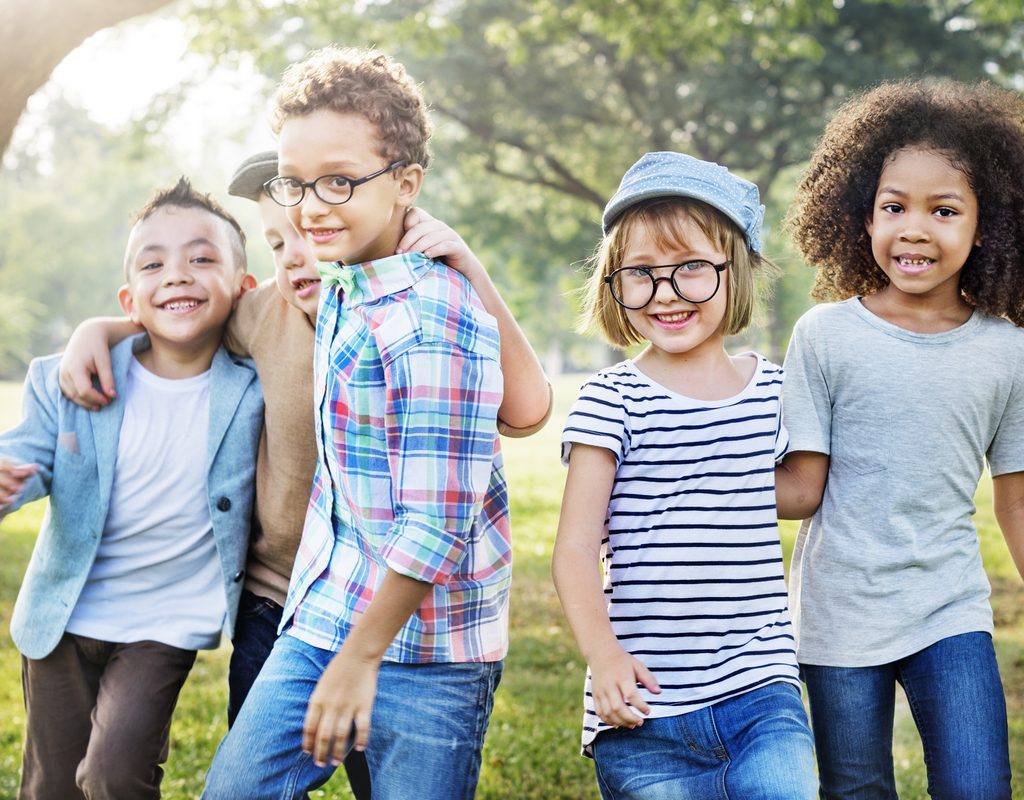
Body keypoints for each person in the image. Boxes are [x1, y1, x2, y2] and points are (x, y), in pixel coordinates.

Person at [57, 150, 552, 798]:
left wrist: (470, 267)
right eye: (275, 241)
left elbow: (528, 411)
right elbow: (182, 316)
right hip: (282, 609)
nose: (292, 255)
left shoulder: (420, 313)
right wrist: (100, 328)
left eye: (306, 236)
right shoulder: (263, 315)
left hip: (401, 607)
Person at [200, 45, 529, 798]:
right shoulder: (345, 283)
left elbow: (436, 523)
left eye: (339, 181)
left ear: (407, 184)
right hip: (326, 614)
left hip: (429, 650)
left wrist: (360, 659)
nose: (310, 205)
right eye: (296, 182)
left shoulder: (432, 317)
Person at [780, 79, 1024, 798]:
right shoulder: (823, 335)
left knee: (979, 785)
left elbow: (1015, 500)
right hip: (837, 613)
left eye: (943, 210)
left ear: (986, 227)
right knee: (856, 790)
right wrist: (686, 486)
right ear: (861, 217)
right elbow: (801, 486)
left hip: (950, 604)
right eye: (894, 207)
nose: (914, 229)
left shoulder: (1008, 351)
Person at [552, 151, 817, 799]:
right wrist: (604, 655)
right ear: (614, 283)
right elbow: (576, 547)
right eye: (641, 274)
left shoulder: (780, 393)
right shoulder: (611, 400)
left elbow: (802, 494)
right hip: (645, 706)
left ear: (736, 270)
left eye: (691, 269)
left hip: (761, 687)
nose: (666, 293)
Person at [0, 178, 264, 799]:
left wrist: (105, 324)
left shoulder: (253, 391)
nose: (177, 275)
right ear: (130, 298)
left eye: (202, 259)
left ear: (244, 289)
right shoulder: (68, 376)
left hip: (164, 623)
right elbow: (29, 455)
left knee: (115, 774)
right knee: (51, 789)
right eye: (154, 263)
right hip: (63, 616)